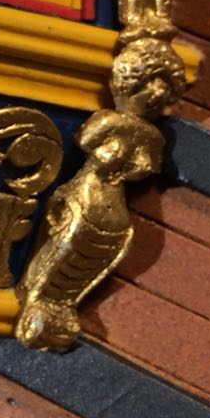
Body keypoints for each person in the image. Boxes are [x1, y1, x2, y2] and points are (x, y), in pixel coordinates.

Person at [16, 37, 184, 351]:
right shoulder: (109, 120)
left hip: (113, 197)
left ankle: (61, 301)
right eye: (149, 85)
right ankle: (39, 294)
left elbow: (149, 166)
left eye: (164, 88)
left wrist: (136, 167)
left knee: (111, 242)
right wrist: (109, 153)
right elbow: (85, 140)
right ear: (129, 84)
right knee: (70, 236)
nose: (156, 94)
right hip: (88, 189)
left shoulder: (152, 136)